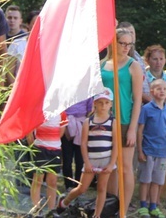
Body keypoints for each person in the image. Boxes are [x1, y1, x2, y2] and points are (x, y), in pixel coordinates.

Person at [100, 27, 143, 208]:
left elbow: (138, 99)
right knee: (109, 169)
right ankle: (110, 205)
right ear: (113, 42)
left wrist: (133, 128)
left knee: (125, 168)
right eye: (122, 43)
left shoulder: (133, 65)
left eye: (129, 44)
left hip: (124, 120)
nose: (126, 47)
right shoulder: (102, 64)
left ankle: (123, 209)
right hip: (105, 121)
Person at [58, 90, 118, 218]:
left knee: (102, 189)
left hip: (106, 160)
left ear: (110, 104)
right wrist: (87, 162)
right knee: (82, 188)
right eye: (100, 102)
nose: (103, 106)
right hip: (91, 160)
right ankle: (64, 202)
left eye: (106, 103)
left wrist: (112, 163)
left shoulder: (113, 122)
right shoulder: (88, 122)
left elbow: (116, 144)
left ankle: (97, 214)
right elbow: (83, 143)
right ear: (94, 103)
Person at [137, 78, 166, 218]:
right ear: (152, 92)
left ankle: (153, 206)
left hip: (163, 152)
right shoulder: (146, 109)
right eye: (158, 88)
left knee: (157, 180)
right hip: (148, 150)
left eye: (164, 88)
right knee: (145, 179)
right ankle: (143, 206)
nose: (162, 91)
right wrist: (140, 151)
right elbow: (140, 130)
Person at [28, 110, 68, 211]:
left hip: (55, 150)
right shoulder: (38, 110)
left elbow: (61, 131)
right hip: (40, 149)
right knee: (38, 180)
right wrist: (34, 147)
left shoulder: (61, 112)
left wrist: (51, 143)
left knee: (52, 181)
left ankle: (51, 210)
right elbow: (29, 132)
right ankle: (36, 208)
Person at [62, 97, 93, 190]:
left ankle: (78, 186)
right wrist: (65, 129)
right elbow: (61, 109)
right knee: (67, 159)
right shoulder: (65, 90)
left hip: (81, 124)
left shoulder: (87, 91)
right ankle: (68, 185)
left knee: (80, 159)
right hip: (66, 124)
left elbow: (89, 110)